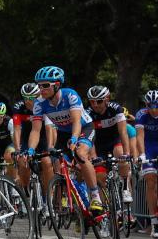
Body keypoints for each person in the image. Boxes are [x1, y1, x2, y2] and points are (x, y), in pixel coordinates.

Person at [27, 66, 102, 213]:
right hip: (62, 133)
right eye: (39, 85)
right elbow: (35, 130)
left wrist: (74, 139)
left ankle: (95, 196)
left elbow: (76, 122)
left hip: (83, 128)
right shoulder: (39, 103)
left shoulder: (70, 95)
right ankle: (81, 203)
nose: (41, 89)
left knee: (80, 154)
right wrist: (30, 150)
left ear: (57, 85)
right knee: (59, 166)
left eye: (45, 85)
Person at [86, 85, 131, 202]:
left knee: (120, 154)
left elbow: (123, 132)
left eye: (99, 101)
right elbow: (90, 137)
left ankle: (125, 188)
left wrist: (126, 153)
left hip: (115, 140)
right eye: (92, 101)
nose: (95, 105)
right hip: (98, 144)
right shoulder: (88, 113)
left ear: (107, 99)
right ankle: (105, 208)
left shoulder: (116, 109)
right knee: (100, 176)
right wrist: (94, 157)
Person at [135, 90, 158, 238]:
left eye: (156, 106)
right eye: (150, 105)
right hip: (148, 148)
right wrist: (142, 154)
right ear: (146, 104)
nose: (154, 109)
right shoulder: (141, 115)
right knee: (150, 181)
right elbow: (140, 136)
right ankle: (154, 221)